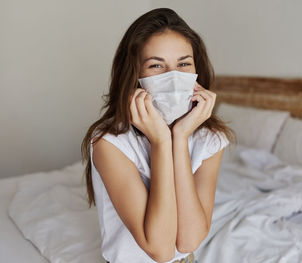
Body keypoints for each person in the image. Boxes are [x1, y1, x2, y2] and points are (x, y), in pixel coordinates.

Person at [81, 7, 236, 263]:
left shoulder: (210, 138)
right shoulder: (108, 142)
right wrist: (161, 141)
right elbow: (161, 250)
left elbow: (188, 241)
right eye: (156, 65)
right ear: (134, 75)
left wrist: (180, 136)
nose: (173, 77)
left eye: (184, 63)